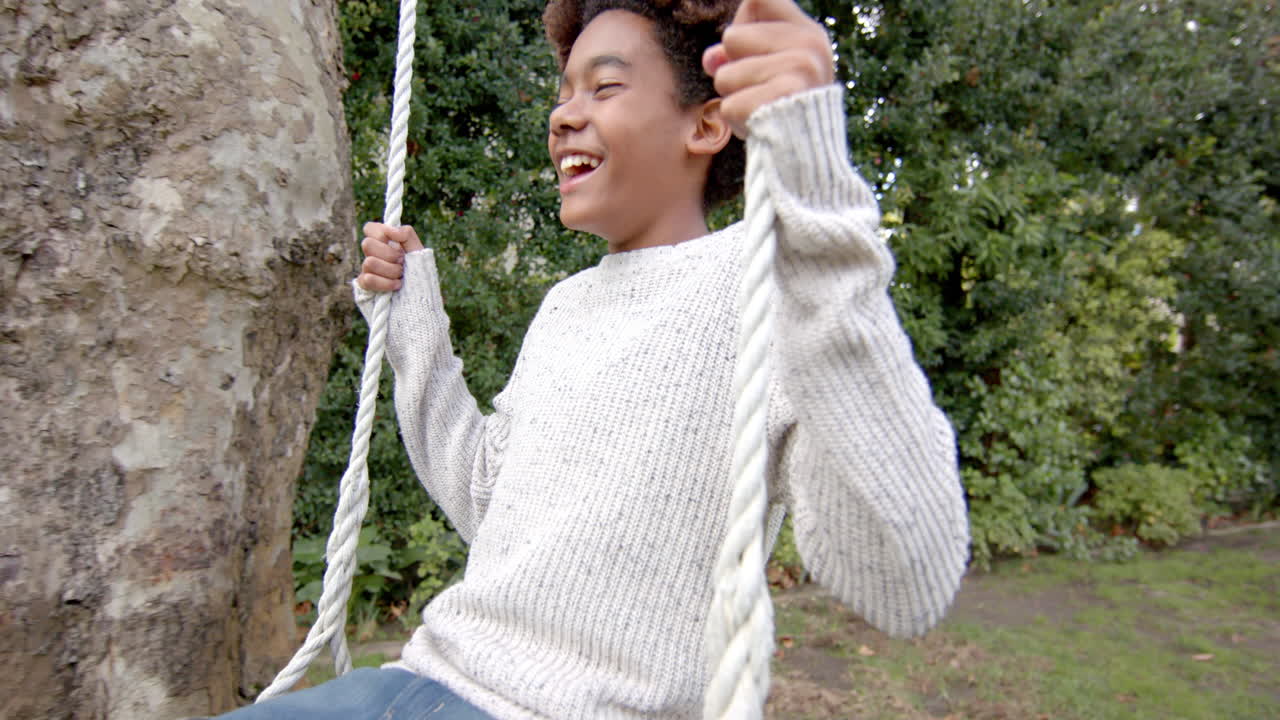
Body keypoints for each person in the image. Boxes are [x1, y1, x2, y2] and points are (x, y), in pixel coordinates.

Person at [217, 0, 968, 716]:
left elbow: (906, 579)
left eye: (605, 86)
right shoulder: (565, 307)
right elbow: (489, 503)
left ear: (708, 123)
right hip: (416, 681)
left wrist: (809, 171)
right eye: (564, 91)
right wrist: (417, 325)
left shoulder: (775, 279)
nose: (564, 114)